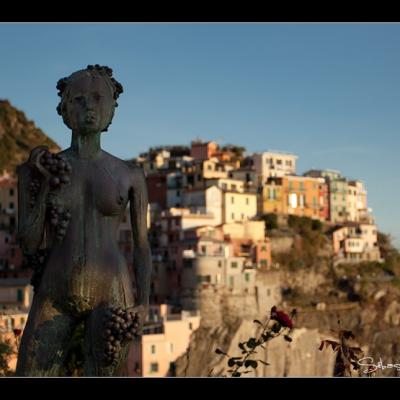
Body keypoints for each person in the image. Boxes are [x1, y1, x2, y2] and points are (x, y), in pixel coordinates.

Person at [15, 65, 152, 376]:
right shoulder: (40, 169)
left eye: (98, 99)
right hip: (54, 291)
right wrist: (45, 184)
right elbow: (28, 241)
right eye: (78, 100)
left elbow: (142, 245)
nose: (89, 106)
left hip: (113, 291)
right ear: (64, 109)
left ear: (111, 111)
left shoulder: (130, 174)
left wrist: (143, 302)